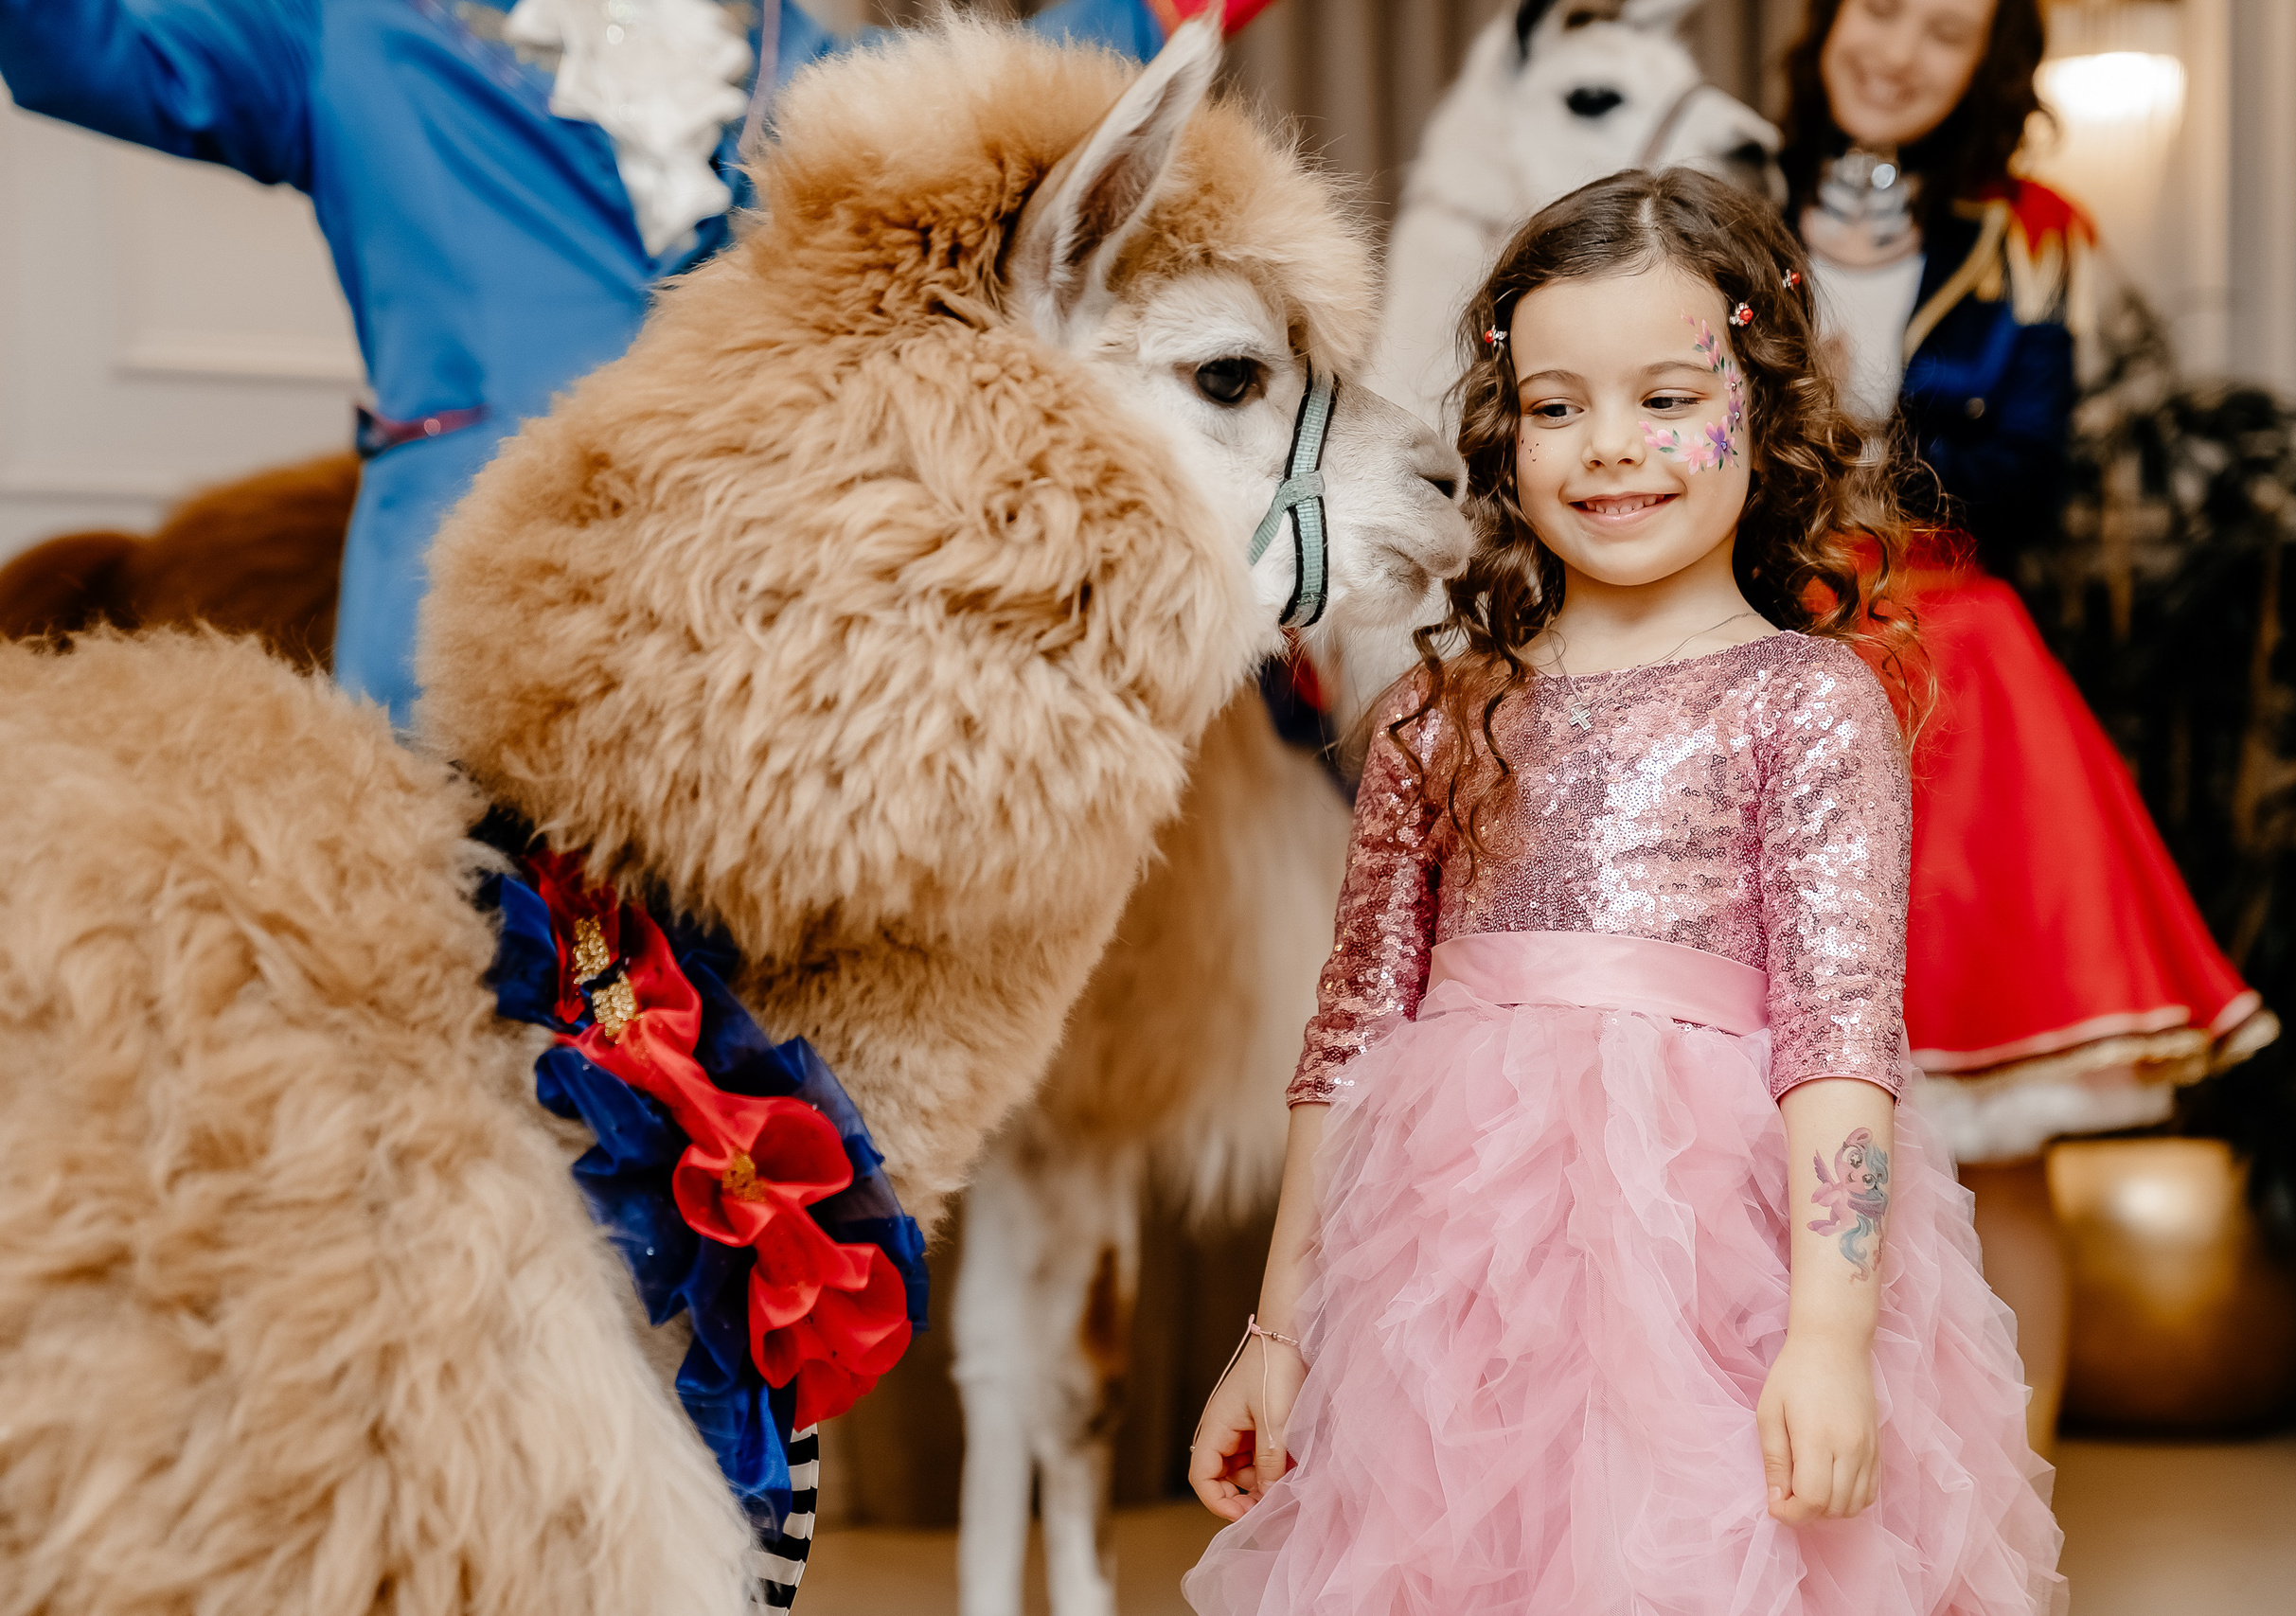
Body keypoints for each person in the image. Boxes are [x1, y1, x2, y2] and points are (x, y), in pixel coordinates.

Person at [1183, 168, 2061, 1616]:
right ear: (1503, 425)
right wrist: (1280, 1331)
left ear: (1765, 409)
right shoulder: (1437, 715)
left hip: (1719, 1285)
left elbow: (1843, 1039)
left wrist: (1831, 1340)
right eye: (1555, 405)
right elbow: (1347, 1039)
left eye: (1668, 398)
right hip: (1460, 1294)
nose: (1611, 451)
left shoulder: (1805, 701)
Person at [0, 0, 1244, 724]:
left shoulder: (829, 71)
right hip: (447, 646)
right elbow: (74, 49)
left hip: (742, 654)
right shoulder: (358, 38)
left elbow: (1073, 92)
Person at [1779, 0, 2270, 1455]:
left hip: (1958, 686)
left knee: (1997, 1144)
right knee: (1760, 1115)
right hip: (1764, 662)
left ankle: (2011, 1511)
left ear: (1987, 68)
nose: (1897, 54)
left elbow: (2030, 467)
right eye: (1879, 10)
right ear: (1822, 22)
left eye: (1945, 32)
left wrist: (1838, 472)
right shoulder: (1723, 193)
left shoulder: (2029, 231)